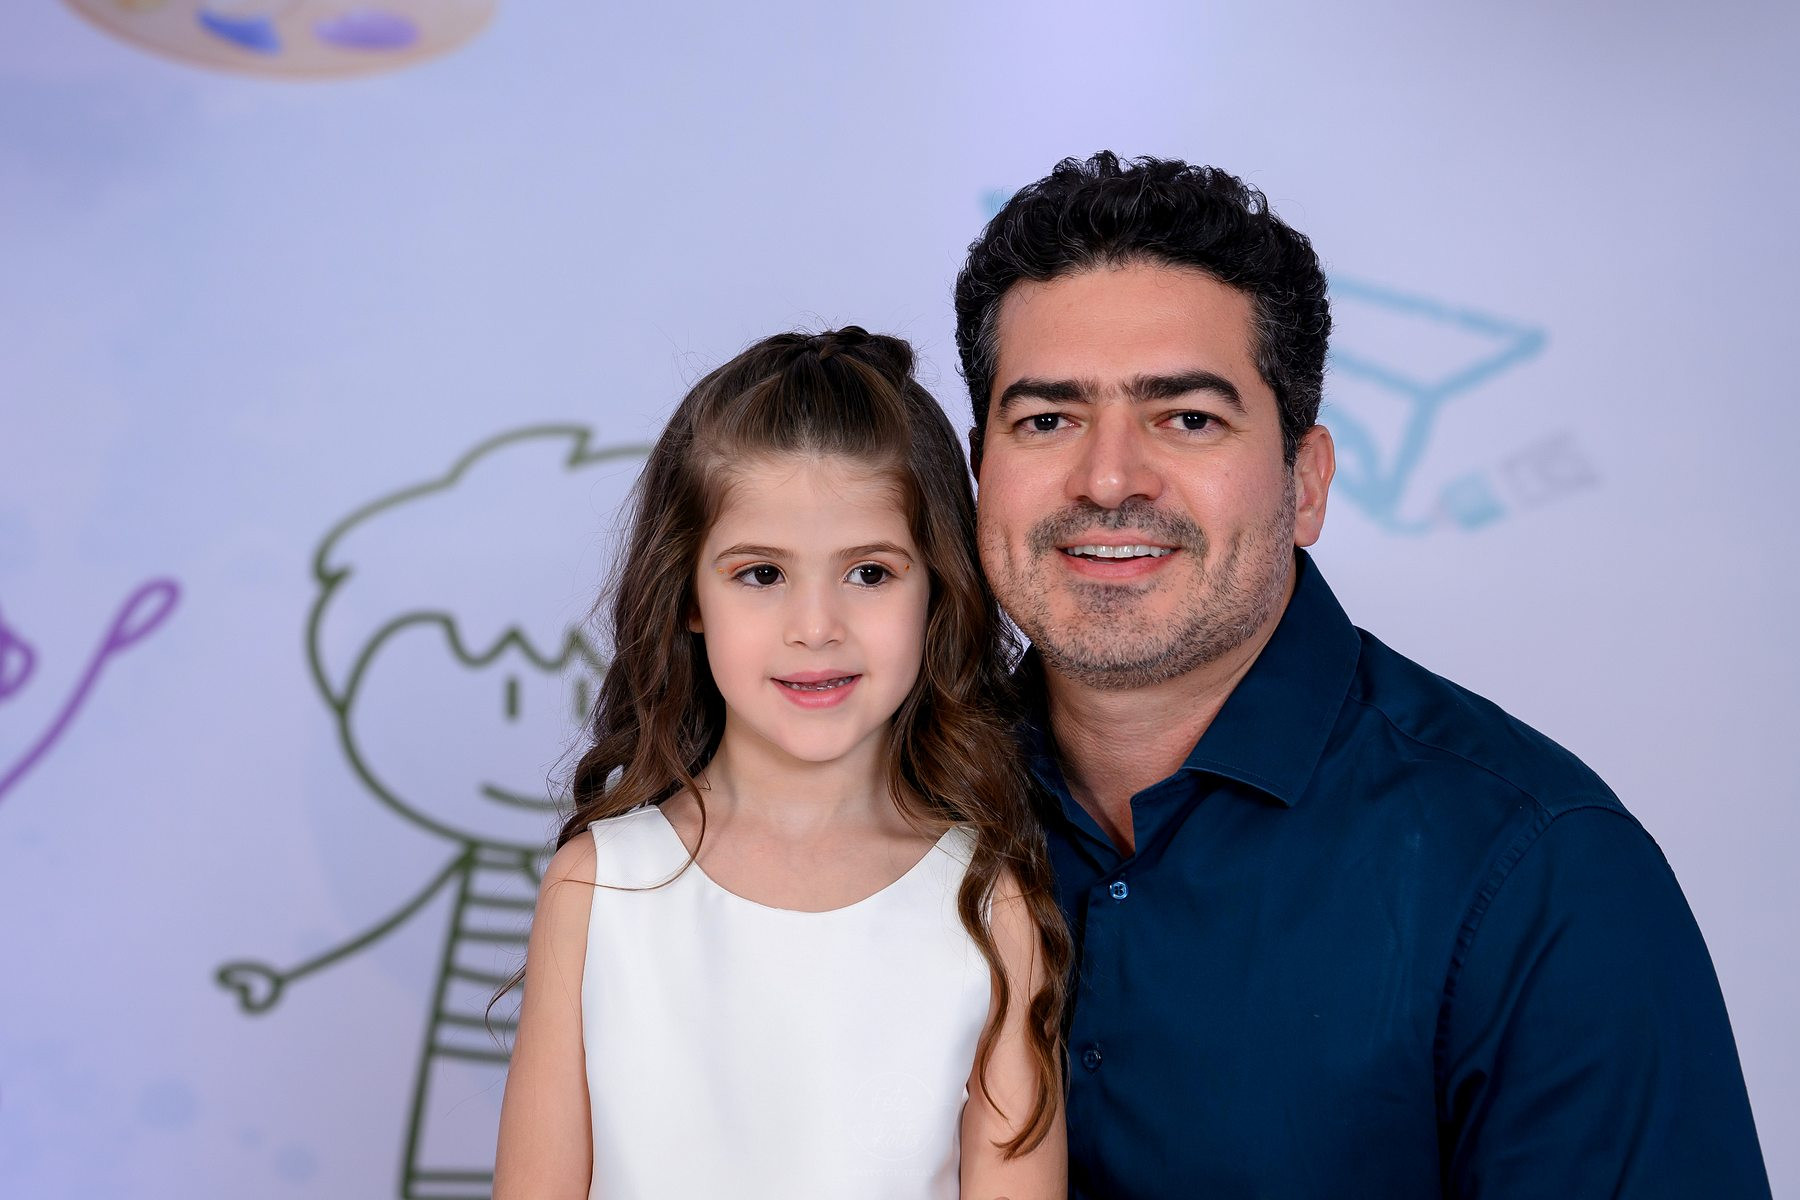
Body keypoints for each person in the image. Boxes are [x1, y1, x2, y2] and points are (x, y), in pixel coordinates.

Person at [954, 153, 1771, 1198]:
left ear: (1306, 483)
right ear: (981, 474)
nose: (1109, 478)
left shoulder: (1543, 875)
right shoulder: (889, 807)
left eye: (1188, 417)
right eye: (1047, 419)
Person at [492, 328, 1071, 1199]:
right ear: (688, 595)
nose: (816, 627)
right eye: (762, 574)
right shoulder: (598, 886)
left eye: (869, 574)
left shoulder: (990, 904)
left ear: (938, 591)